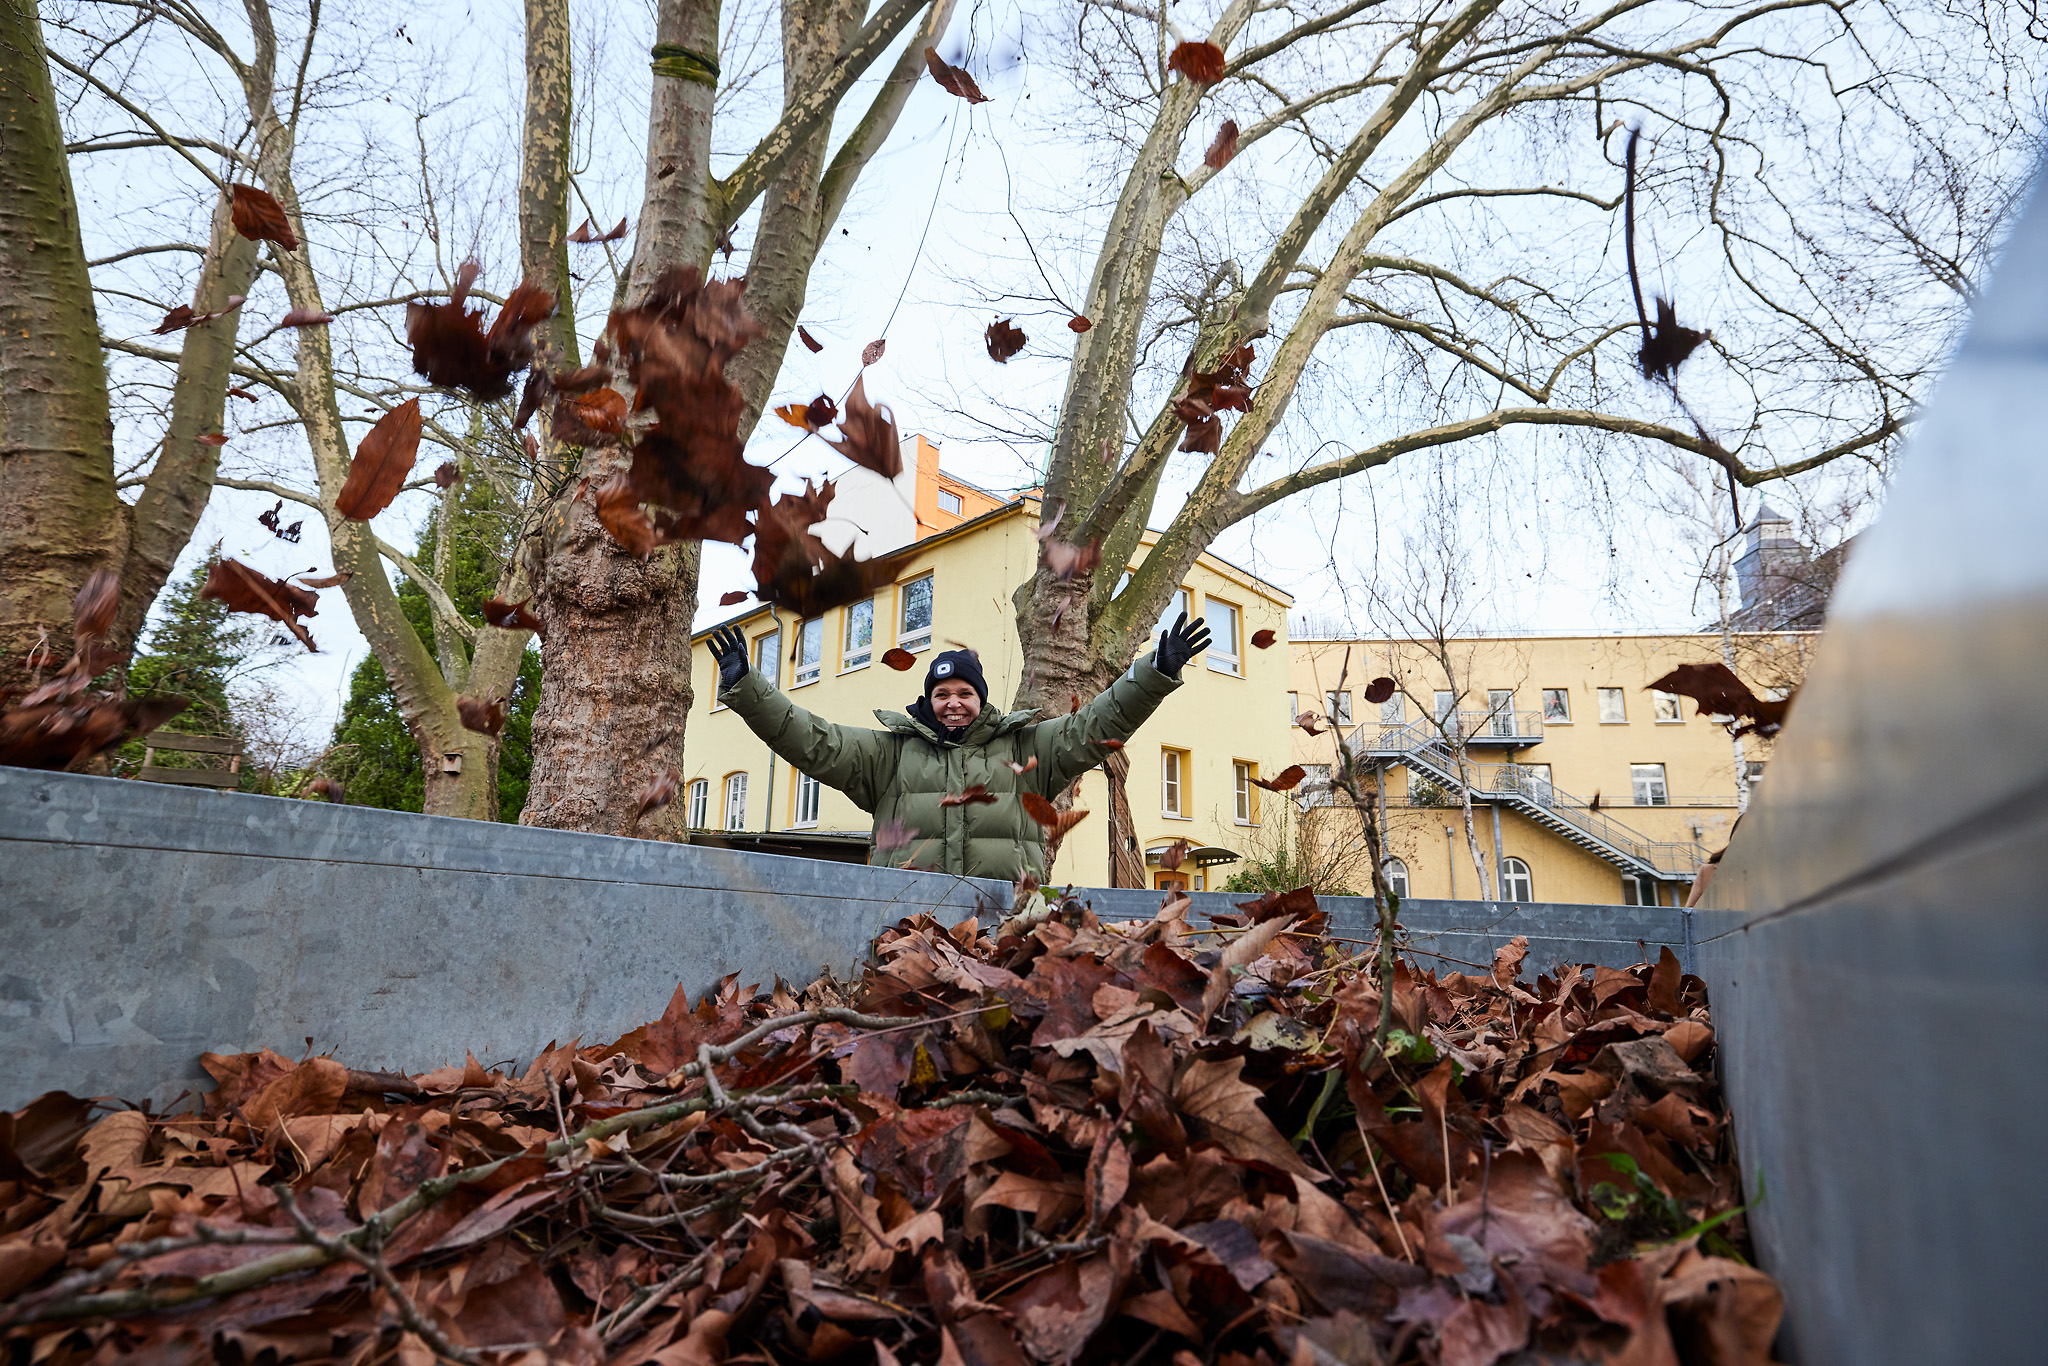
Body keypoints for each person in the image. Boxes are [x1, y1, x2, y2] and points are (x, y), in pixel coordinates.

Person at [705, 613, 1212, 880]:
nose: (953, 703)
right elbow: (813, 740)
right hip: (906, 931)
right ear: (927, 699)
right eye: (942, 694)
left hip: (1003, 930)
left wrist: (1155, 672)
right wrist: (749, 688)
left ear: (981, 699)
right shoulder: (889, 756)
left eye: (964, 694)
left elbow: (1095, 724)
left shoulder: (1027, 749)